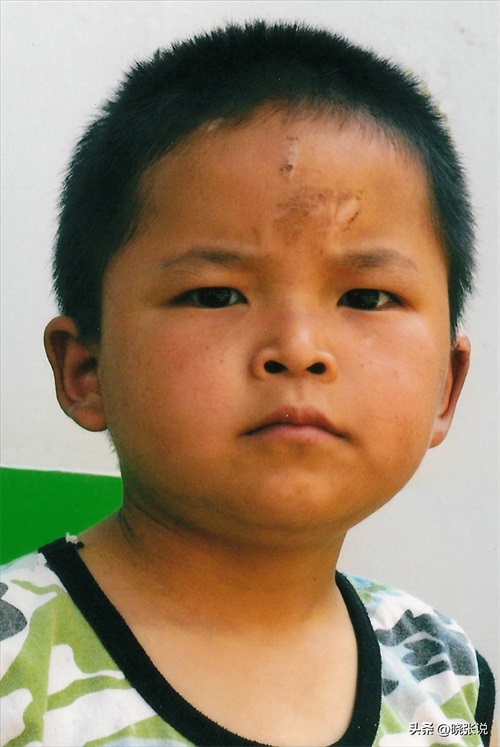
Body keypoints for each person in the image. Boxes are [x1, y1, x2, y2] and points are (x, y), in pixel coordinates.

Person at [0, 20, 496, 747]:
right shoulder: (15, 669)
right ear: (86, 370)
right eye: (215, 295)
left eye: (366, 297)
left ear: (446, 388)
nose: (297, 348)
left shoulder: (450, 684)